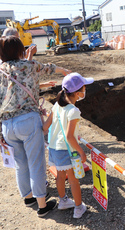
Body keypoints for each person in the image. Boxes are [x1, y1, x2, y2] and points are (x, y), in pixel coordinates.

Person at [0, 36, 71, 217]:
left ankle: (28, 197)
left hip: (7, 124)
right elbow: (49, 68)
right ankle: (42, 205)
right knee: (36, 163)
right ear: (20, 51)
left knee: (20, 164)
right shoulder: (28, 65)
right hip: (28, 121)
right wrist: (64, 71)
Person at [43, 72, 93, 219]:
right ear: (78, 93)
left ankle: (63, 201)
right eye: (84, 88)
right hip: (66, 151)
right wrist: (82, 152)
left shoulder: (56, 106)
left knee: (60, 176)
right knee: (73, 180)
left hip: (53, 148)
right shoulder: (74, 111)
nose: (85, 91)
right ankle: (78, 208)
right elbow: (70, 137)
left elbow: (46, 126)